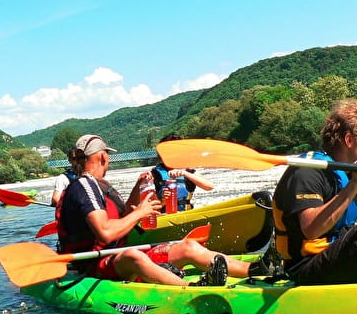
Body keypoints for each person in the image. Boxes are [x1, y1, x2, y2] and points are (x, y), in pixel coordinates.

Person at [59, 134, 271, 287]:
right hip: (94, 265)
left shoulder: (101, 186)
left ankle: (256, 269)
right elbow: (105, 232)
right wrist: (140, 212)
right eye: (108, 157)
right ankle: (191, 290)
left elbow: (122, 218)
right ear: (103, 157)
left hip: (115, 256)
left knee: (188, 246)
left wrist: (137, 189)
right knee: (133, 255)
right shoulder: (83, 186)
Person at [273, 98, 357, 285]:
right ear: (349, 140)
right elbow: (311, 229)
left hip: (338, 258)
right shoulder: (307, 170)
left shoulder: (348, 172)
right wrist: (353, 186)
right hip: (306, 268)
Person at [151, 133, 214, 212]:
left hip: (185, 214)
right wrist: (163, 201)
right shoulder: (154, 174)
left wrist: (185, 173)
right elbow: (148, 207)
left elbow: (209, 186)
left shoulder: (189, 171)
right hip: (163, 216)